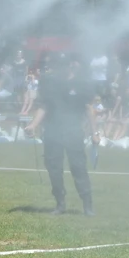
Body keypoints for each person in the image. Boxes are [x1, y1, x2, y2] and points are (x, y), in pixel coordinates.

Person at [25, 55, 97, 216]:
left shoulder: (82, 84)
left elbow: (89, 109)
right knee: (54, 169)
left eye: (63, 65)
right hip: (52, 132)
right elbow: (44, 107)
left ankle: (87, 205)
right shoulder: (50, 83)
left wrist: (95, 133)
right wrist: (33, 125)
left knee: (78, 168)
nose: (59, 68)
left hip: (73, 132)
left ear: (71, 65)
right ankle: (60, 204)